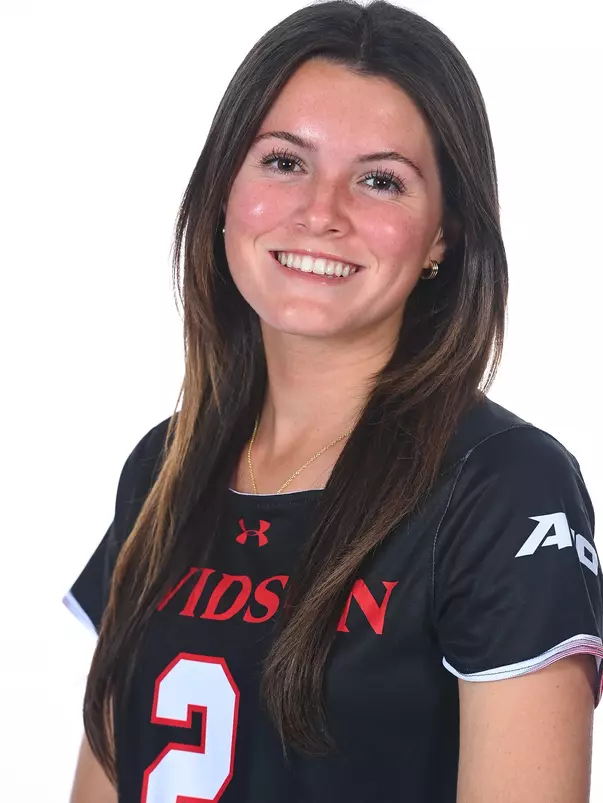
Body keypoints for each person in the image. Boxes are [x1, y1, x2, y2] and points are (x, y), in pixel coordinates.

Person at [64, 1, 603, 801]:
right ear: (222, 190)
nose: (321, 213)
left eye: (380, 180)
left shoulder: (502, 486)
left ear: (441, 237)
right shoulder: (165, 463)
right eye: (284, 161)